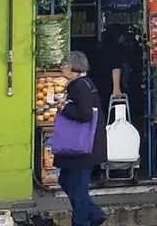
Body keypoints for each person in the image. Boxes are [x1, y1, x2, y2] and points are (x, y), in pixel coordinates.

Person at [56, 51, 107, 226]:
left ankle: (82, 221)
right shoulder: (84, 84)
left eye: (65, 64)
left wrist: (63, 107)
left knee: (77, 186)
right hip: (83, 145)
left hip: (83, 146)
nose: (62, 67)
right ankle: (94, 214)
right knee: (67, 181)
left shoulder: (80, 86)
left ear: (74, 67)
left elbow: (85, 114)